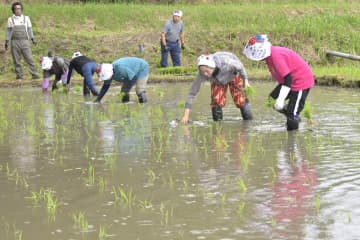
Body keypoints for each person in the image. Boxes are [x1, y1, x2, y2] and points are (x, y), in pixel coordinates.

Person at [243, 34, 315, 130]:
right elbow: (284, 77)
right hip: (289, 81)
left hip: (300, 81)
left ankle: (292, 137)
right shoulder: (269, 56)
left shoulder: (276, 57)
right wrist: (278, 100)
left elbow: (288, 78)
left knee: (292, 115)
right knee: (272, 100)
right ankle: (295, 117)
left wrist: (281, 99)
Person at [181, 52, 253, 123]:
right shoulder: (201, 74)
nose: (205, 74)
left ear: (211, 66)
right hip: (218, 80)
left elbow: (240, 66)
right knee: (216, 101)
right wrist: (186, 115)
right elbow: (192, 94)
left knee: (241, 100)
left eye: (206, 71)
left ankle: (248, 124)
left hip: (233, 74)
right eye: (202, 72)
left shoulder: (226, 62)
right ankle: (217, 127)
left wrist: (245, 80)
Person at [4, 1, 40, 80]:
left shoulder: (26, 18)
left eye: (19, 9)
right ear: (13, 10)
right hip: (14, 41)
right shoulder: (10, 19)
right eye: (16, 9)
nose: (18, 10)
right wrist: (6, 41)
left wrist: (33, 39)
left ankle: (35, 75)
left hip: (25, 41)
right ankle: (19, 76)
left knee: (29, 58)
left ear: (21, 9)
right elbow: (8, 31)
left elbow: (30, 29)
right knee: (16, 60)